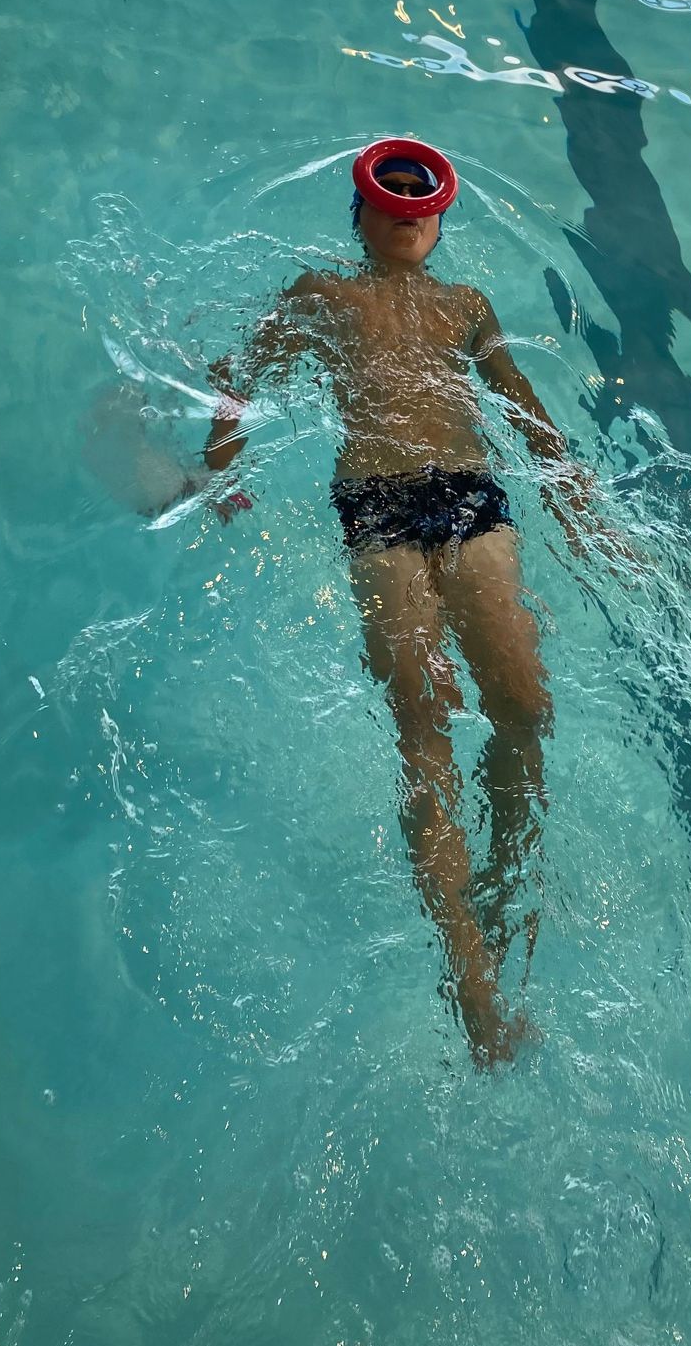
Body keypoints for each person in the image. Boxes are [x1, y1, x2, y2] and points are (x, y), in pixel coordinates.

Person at [203, 140, 596, 1067]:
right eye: (392, 197)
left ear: (440, 218)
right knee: (426, 723)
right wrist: (216, 471)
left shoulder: (467, 306)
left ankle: (500, 896)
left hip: (471, 497)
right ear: (363, 212)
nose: (408, 211)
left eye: (423, 200)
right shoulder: (322, 294)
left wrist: (571, 490)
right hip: (378, 506)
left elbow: (518, 397)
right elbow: (243, 376)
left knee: (524, 709)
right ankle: (472, 978)